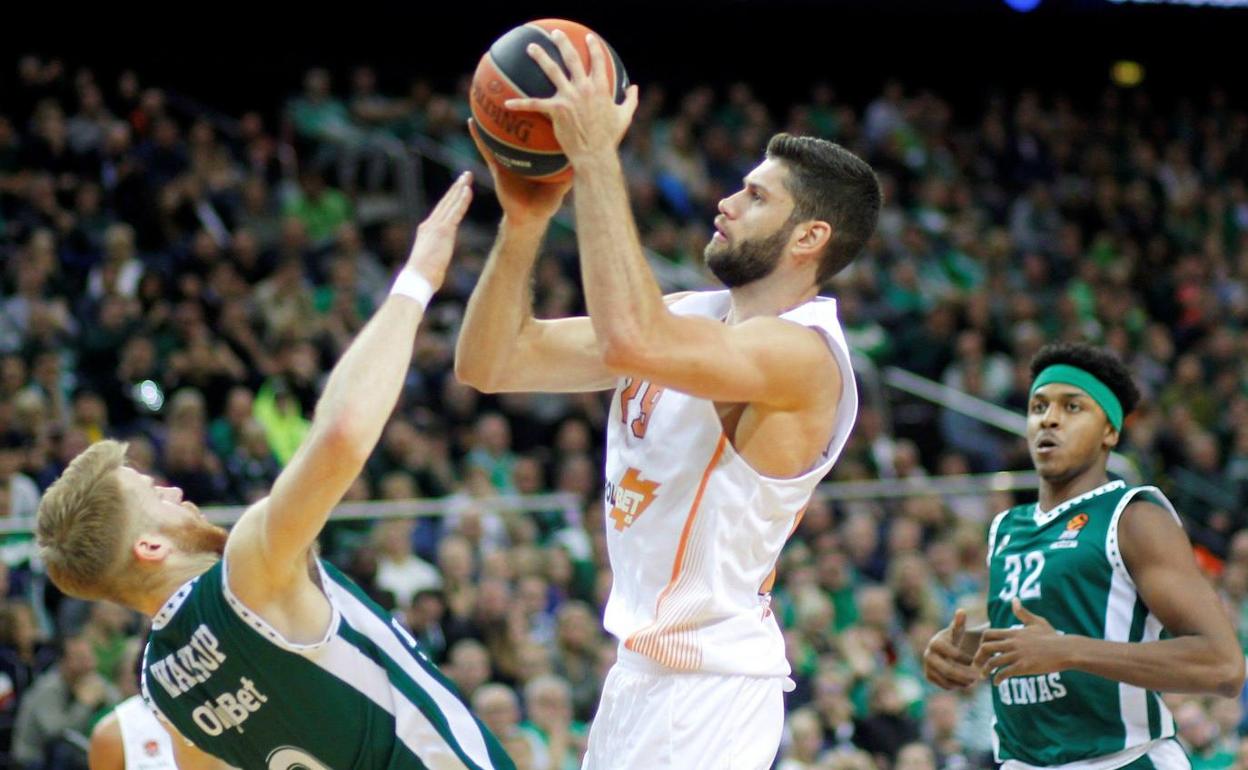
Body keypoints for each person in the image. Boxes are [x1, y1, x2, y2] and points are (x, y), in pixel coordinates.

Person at [455, 30, 880, 770]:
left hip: (711, 690)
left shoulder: (803, 355)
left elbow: (630, 343)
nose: (725, 202)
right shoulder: (688, 314)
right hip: (640, 678)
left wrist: (593, 157)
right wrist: (523, 222)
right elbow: (491, 360)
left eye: (754, 196)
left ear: (810, 235)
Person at [36, 173, 516, 770]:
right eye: (154, 494)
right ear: (150, 545)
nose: (177, 491)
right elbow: (340, 436)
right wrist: (416, 281)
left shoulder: (161, 687)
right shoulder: (245, 575)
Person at [923, 342, 1245, 770]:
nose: (1049, 418)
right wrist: (961, 647)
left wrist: (1069, 651)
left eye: (1072, 407)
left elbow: (1222, 666)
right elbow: (1049, 633)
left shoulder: (1134, 517)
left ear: (1109, 432)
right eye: (1038, 407)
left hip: (1122, 760)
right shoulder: (1007, 527)